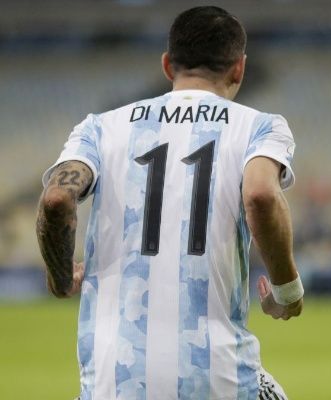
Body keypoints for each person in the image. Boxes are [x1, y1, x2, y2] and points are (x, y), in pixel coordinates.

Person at [35, 6, 302, 400]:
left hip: (113, 381)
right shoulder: (260, 127)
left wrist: (60, 278)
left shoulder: (99, 128)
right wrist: (287, 290)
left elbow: (57, 198)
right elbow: (261, 194)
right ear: (239, 69)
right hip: (217, 377)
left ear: (166, 65)